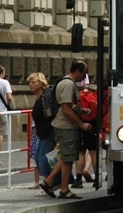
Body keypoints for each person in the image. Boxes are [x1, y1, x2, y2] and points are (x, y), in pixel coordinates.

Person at [38, 61, 92, 200]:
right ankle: (63, 189)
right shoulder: (69, 84)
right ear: (78, 71)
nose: (84, 77)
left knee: (65, 155)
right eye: (84, 73)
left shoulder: (63, 81)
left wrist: (80, 110)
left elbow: (68, 105)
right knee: (68, 158)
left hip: (62, 124)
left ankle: (49, 181)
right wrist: (82, 124)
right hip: (66, 126)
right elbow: (66, 108)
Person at [27, 72, 52, 189]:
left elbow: (48, 114)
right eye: (29, 82)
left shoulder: (45, 96)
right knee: (38, 157)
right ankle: (48, 182)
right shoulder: (38, 97)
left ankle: (49, 184)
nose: (30, 85)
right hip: (41, 133)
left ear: (41, 83)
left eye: (33, 82)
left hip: (49, 132)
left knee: (43, 158)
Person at [74, 75, 96, 187]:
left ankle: (78, 180)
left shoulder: (76, 94)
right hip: (93, 124)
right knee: (93, 152)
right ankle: (98, 179)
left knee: (80, 152)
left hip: (80, 124)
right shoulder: (92, 93)